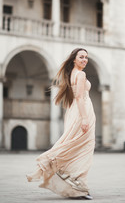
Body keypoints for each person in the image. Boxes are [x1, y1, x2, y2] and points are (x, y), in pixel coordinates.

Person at [26, 48, 96, 200]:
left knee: (74, 145)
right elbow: (79, 97)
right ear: (74, 60)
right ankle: (76, 182)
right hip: (81, 112)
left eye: (86, 57)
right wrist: (84, 119)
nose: (85, 60)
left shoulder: (72, 74)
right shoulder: (81, 74)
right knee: (84, 147)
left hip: (74, 112)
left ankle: (76, 183)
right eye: (81, 57)